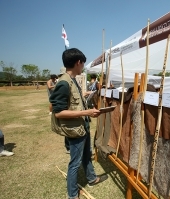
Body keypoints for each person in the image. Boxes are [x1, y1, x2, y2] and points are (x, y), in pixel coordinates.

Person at [50, 48, 108, 199]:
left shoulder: (72, 80)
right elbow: (58, 112)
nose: (83, 66)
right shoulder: (63, 82)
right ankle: (72, 194)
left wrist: (84, 95)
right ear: (78, 62)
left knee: (86, 155)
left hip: (82, 126)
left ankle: (91, 178)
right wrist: (86, 112)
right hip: (75, 129)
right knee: (74, 163)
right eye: (82, 63)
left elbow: (72, 99)